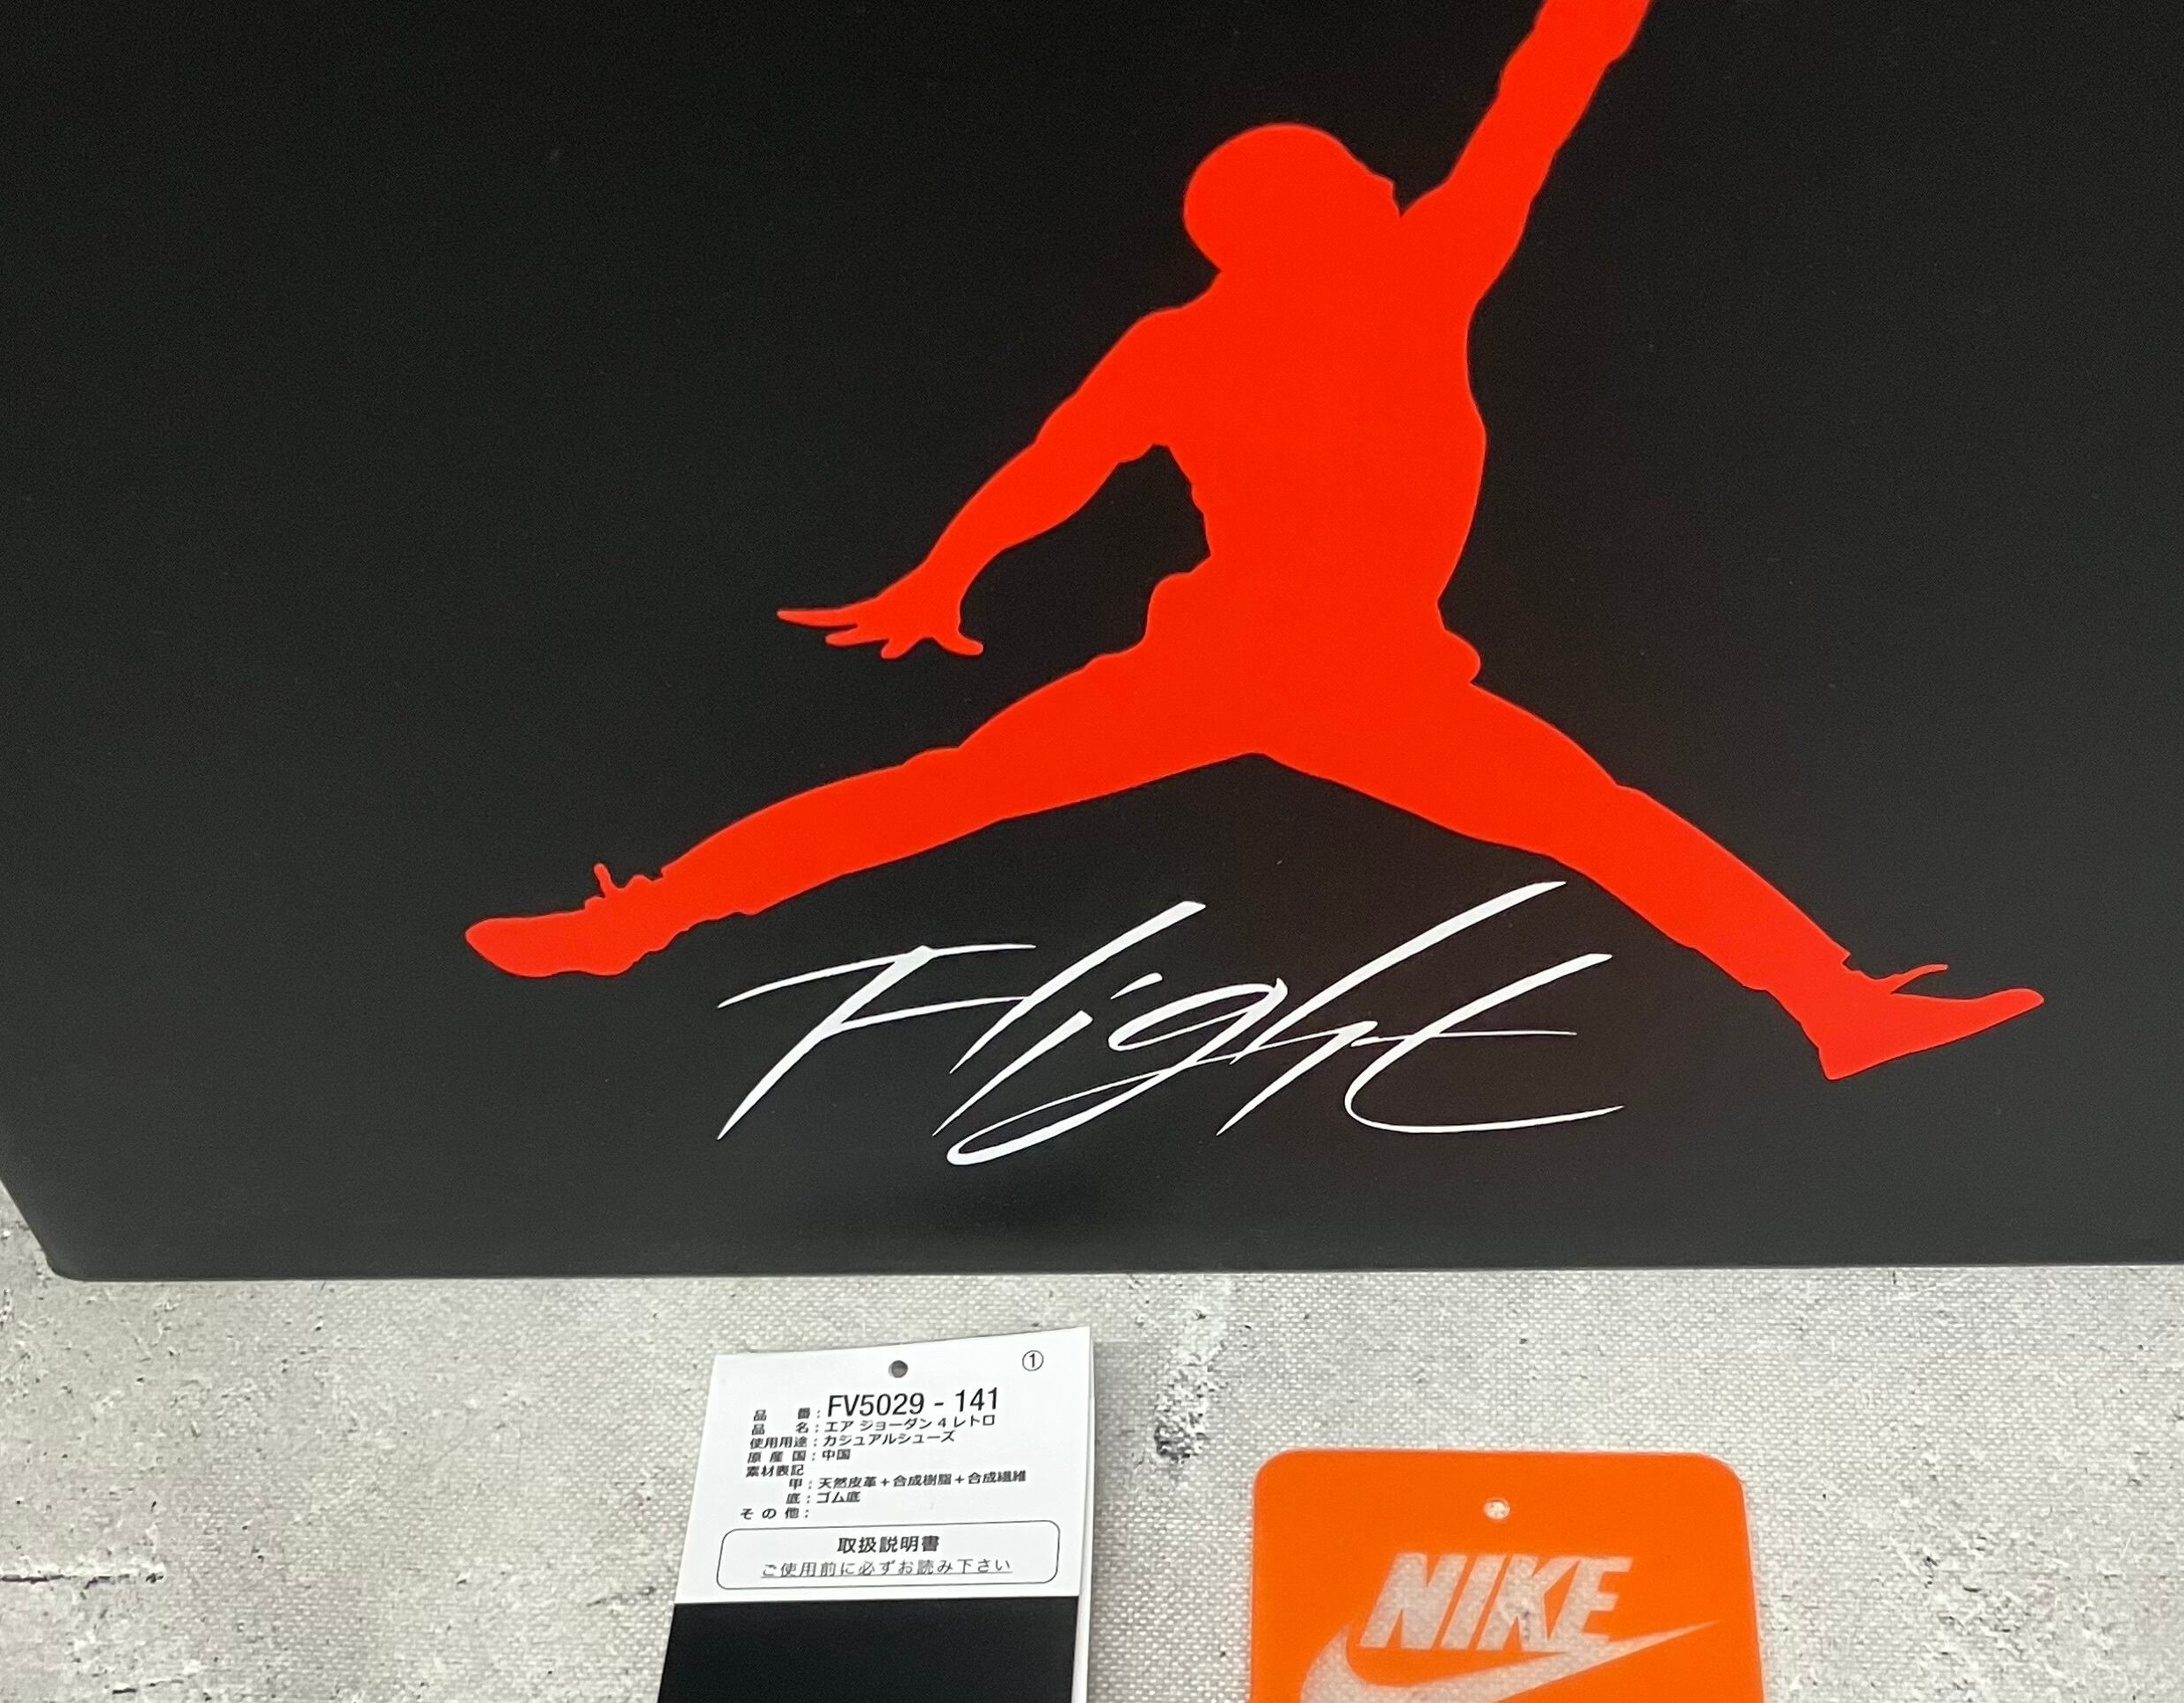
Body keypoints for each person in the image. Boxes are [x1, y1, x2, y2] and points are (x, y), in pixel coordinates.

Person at [469, 0, 2041, 1080]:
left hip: (1290, 667)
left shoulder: (1218, 329)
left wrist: (947, 575)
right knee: (1604, 823)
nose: (1383, 179)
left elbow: (1049, 472)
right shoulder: (1410, 279)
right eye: (1356, 178)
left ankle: (634, 923)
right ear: (1314, 216)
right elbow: (1540, 95)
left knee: (936, 794)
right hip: (1308, 670)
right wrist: (944, 573)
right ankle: (1833, 1004)